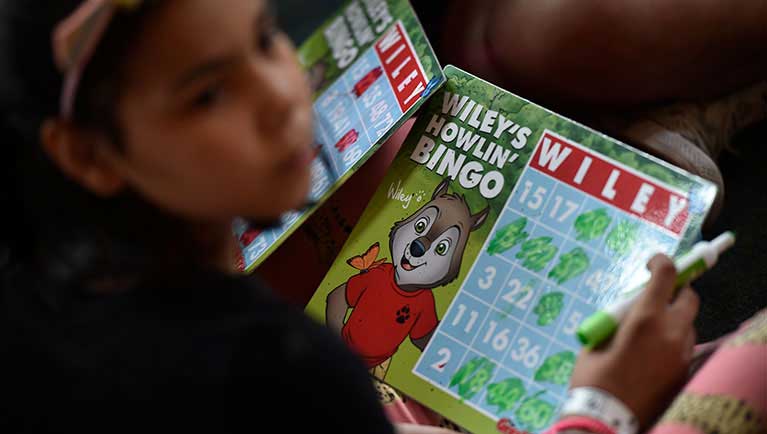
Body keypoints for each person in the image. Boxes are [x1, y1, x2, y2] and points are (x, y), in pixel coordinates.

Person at [0, 1, 454, 433]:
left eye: (263, 38)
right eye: (208, 95)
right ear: (88, 155)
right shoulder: (287, 376)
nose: (281, 99)